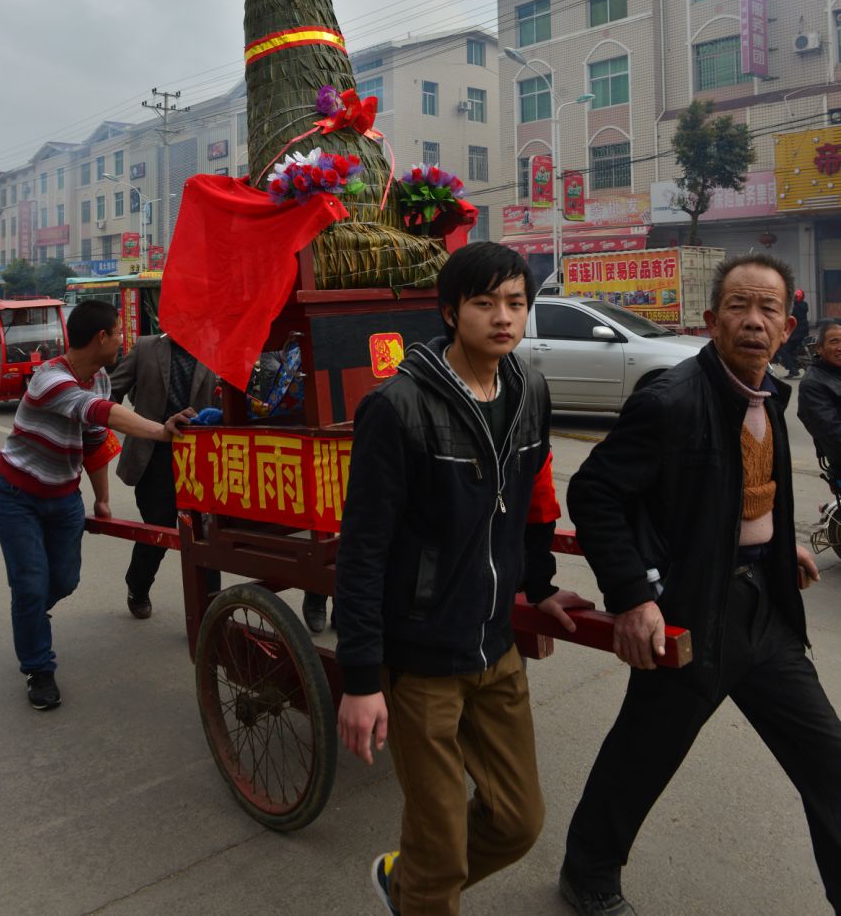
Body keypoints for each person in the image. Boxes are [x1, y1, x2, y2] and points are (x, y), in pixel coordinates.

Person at [560, 254, 841, 916]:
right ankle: (588, 873)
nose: (752, 321)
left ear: (787, 326)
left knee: (827, 760)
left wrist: (780, 546)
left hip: (763, 616)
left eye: (767, 310)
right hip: (690, 614)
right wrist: (633, 598)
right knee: (642, 756)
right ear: (712, 321)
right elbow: (596, 493)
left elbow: (743, 492)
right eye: (738, 308)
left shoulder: (766, 393)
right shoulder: (672, 399)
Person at [335, 241, 593, 916]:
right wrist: (362, 679)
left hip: (495, 648)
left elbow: (534, 500)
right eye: (484, 303)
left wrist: (537, 585)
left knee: (518, 821)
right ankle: (426, 888)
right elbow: (363, 550)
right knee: (442, 845)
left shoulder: (528, 389)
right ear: (450, 312)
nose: (503, 317)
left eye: (515, 302)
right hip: (421, 660)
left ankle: (410, 883)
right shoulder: (397, 408)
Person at [0, 300, 196, 711]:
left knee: (64, 581)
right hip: (17, 496)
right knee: (31, 583)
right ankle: (38, 668)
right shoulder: (50, 379)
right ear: (102, 338)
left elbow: (93, 442)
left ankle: (29, 615)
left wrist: (101, 498)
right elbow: (99, 412)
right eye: (119, 333)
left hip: (64, 496)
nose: (123, 340)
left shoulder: (100, 378)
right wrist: (162, 430)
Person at [109, 331, 219, 618]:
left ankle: (208, 611)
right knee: (158, 526)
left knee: (205, 533)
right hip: (153, 456)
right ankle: (138, 585)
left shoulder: (215, 347)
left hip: (202, 457)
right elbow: (110, 394)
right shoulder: (145, 348)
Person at [798, 318, 841, 477]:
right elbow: (834, 435)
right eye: (834, 342)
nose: (840, 348)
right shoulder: (812, 385)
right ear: (820, 348)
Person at [776, 286, 809, 376]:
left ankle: (792, 369)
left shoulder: (794, 307)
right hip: (802, 334)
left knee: (783, 350)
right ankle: (792, 368)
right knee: (790, 350)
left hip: (795, 335)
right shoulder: (804, 305)